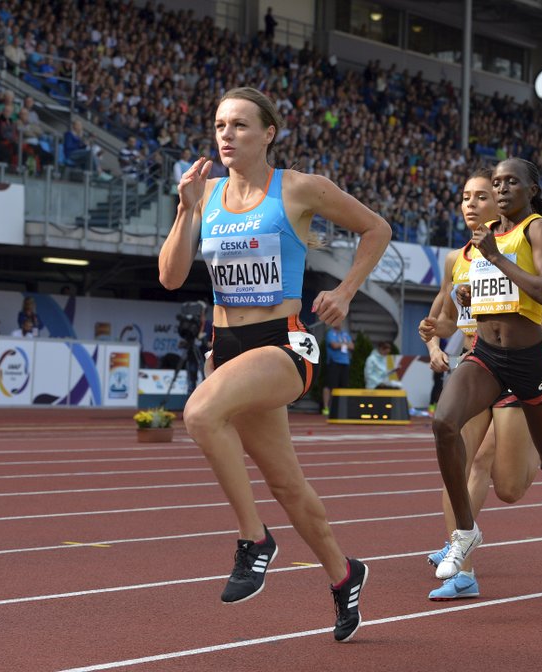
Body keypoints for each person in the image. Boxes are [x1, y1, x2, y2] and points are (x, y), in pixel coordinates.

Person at [158, 86, 391, 642]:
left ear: (269, 133)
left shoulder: (299, 188)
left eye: (240, 125)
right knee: (287, 484)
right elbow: (169, 277)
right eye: (219, 125)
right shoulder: (205, 194)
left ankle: (254, 539)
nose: (227, 135)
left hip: (286, 343)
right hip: (230, 348)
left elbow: (376, 229)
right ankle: (343, 574)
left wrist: (347, 290)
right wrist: (186, 211)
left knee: (199, 414)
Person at [429, 157, 542, 583]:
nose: (503, 189)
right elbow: (466, 305)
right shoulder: (476, 245)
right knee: (443, 424)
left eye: (512, 183)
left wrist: (499, 260)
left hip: (529, 360)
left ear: (531, 190)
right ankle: (464, 533)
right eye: (498, 182)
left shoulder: (535, 229)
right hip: (485, 356)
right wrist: (442, 324)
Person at [323, 322, 354, 414]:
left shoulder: (345, 334)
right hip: (334, 362)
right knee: (330, 386)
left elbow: (352, 346)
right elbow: (334, 345)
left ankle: (340, 408)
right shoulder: (330, 333)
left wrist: (340, 344)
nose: (339, 324)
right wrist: (344, 344)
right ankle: (326, 407)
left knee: (343, 386)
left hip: (345, 362)